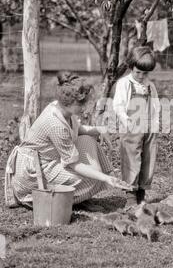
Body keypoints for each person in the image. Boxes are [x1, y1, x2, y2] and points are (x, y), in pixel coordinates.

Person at [5, 71, 131, 210]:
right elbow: (74, 164)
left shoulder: (62, 109)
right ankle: (68, 198)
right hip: (35, 173)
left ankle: (78, 195)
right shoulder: (56, 123)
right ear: (71, 103)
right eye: (82, 105)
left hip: (51, 161)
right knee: (94, 177)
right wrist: (104, 178)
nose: (85, 108)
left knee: (88, 141)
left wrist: (100, 129)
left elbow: (78, 129)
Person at [113, 46, 160, 209]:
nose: (141, 76)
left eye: (145, 73)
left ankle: (142, 195)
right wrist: (127, 122)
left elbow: (155, 106)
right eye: (138, 72)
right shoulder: (124, 83)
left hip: (148, 128)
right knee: (131, 162)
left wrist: (155, 125)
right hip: (131, 129)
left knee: (148, 160)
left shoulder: (149, 86)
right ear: (131, 67)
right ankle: (131, 198)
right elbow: (118, 106)